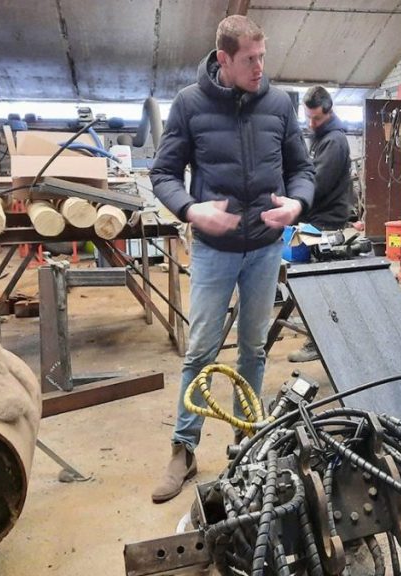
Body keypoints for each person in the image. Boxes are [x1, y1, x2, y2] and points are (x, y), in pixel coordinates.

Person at [148, 15, 315, 504]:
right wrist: (190, 208)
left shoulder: (279, 103)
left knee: (254, 349)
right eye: (250, 60)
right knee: (200, 351)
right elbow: (163, 173)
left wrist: (297, 204)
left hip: (265, 247)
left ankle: (247, 439)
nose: (260, 68)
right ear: (223, 59)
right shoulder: (189, 104)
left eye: (264, 56)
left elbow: (301, 168)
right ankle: (184, 448)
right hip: (215, 253)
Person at [287, 85, 353, 363]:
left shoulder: (334, 141)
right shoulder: (320, 137)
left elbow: (318, 184)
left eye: (316, 119)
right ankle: (318, 334)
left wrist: (291, 200)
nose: (311, 124)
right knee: (310, 284)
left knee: (320, 288)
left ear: (329, 112)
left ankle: (319, 342)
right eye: (308, 118)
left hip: (325, 223)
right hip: (315, 219)